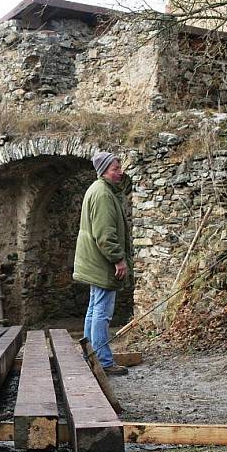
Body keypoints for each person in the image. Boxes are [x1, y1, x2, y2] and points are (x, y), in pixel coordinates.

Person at [73, 151, 133, 375]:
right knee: (102, 312)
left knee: (94, 309)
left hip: (94, 261)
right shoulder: (103, 194)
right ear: (104, 171)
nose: (120, 172)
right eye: (115, 169)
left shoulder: (98, 190)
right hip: (101, 263)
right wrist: (118, 259)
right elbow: (105, 234)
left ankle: (91, 356)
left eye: (119, 168)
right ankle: (104, 362)